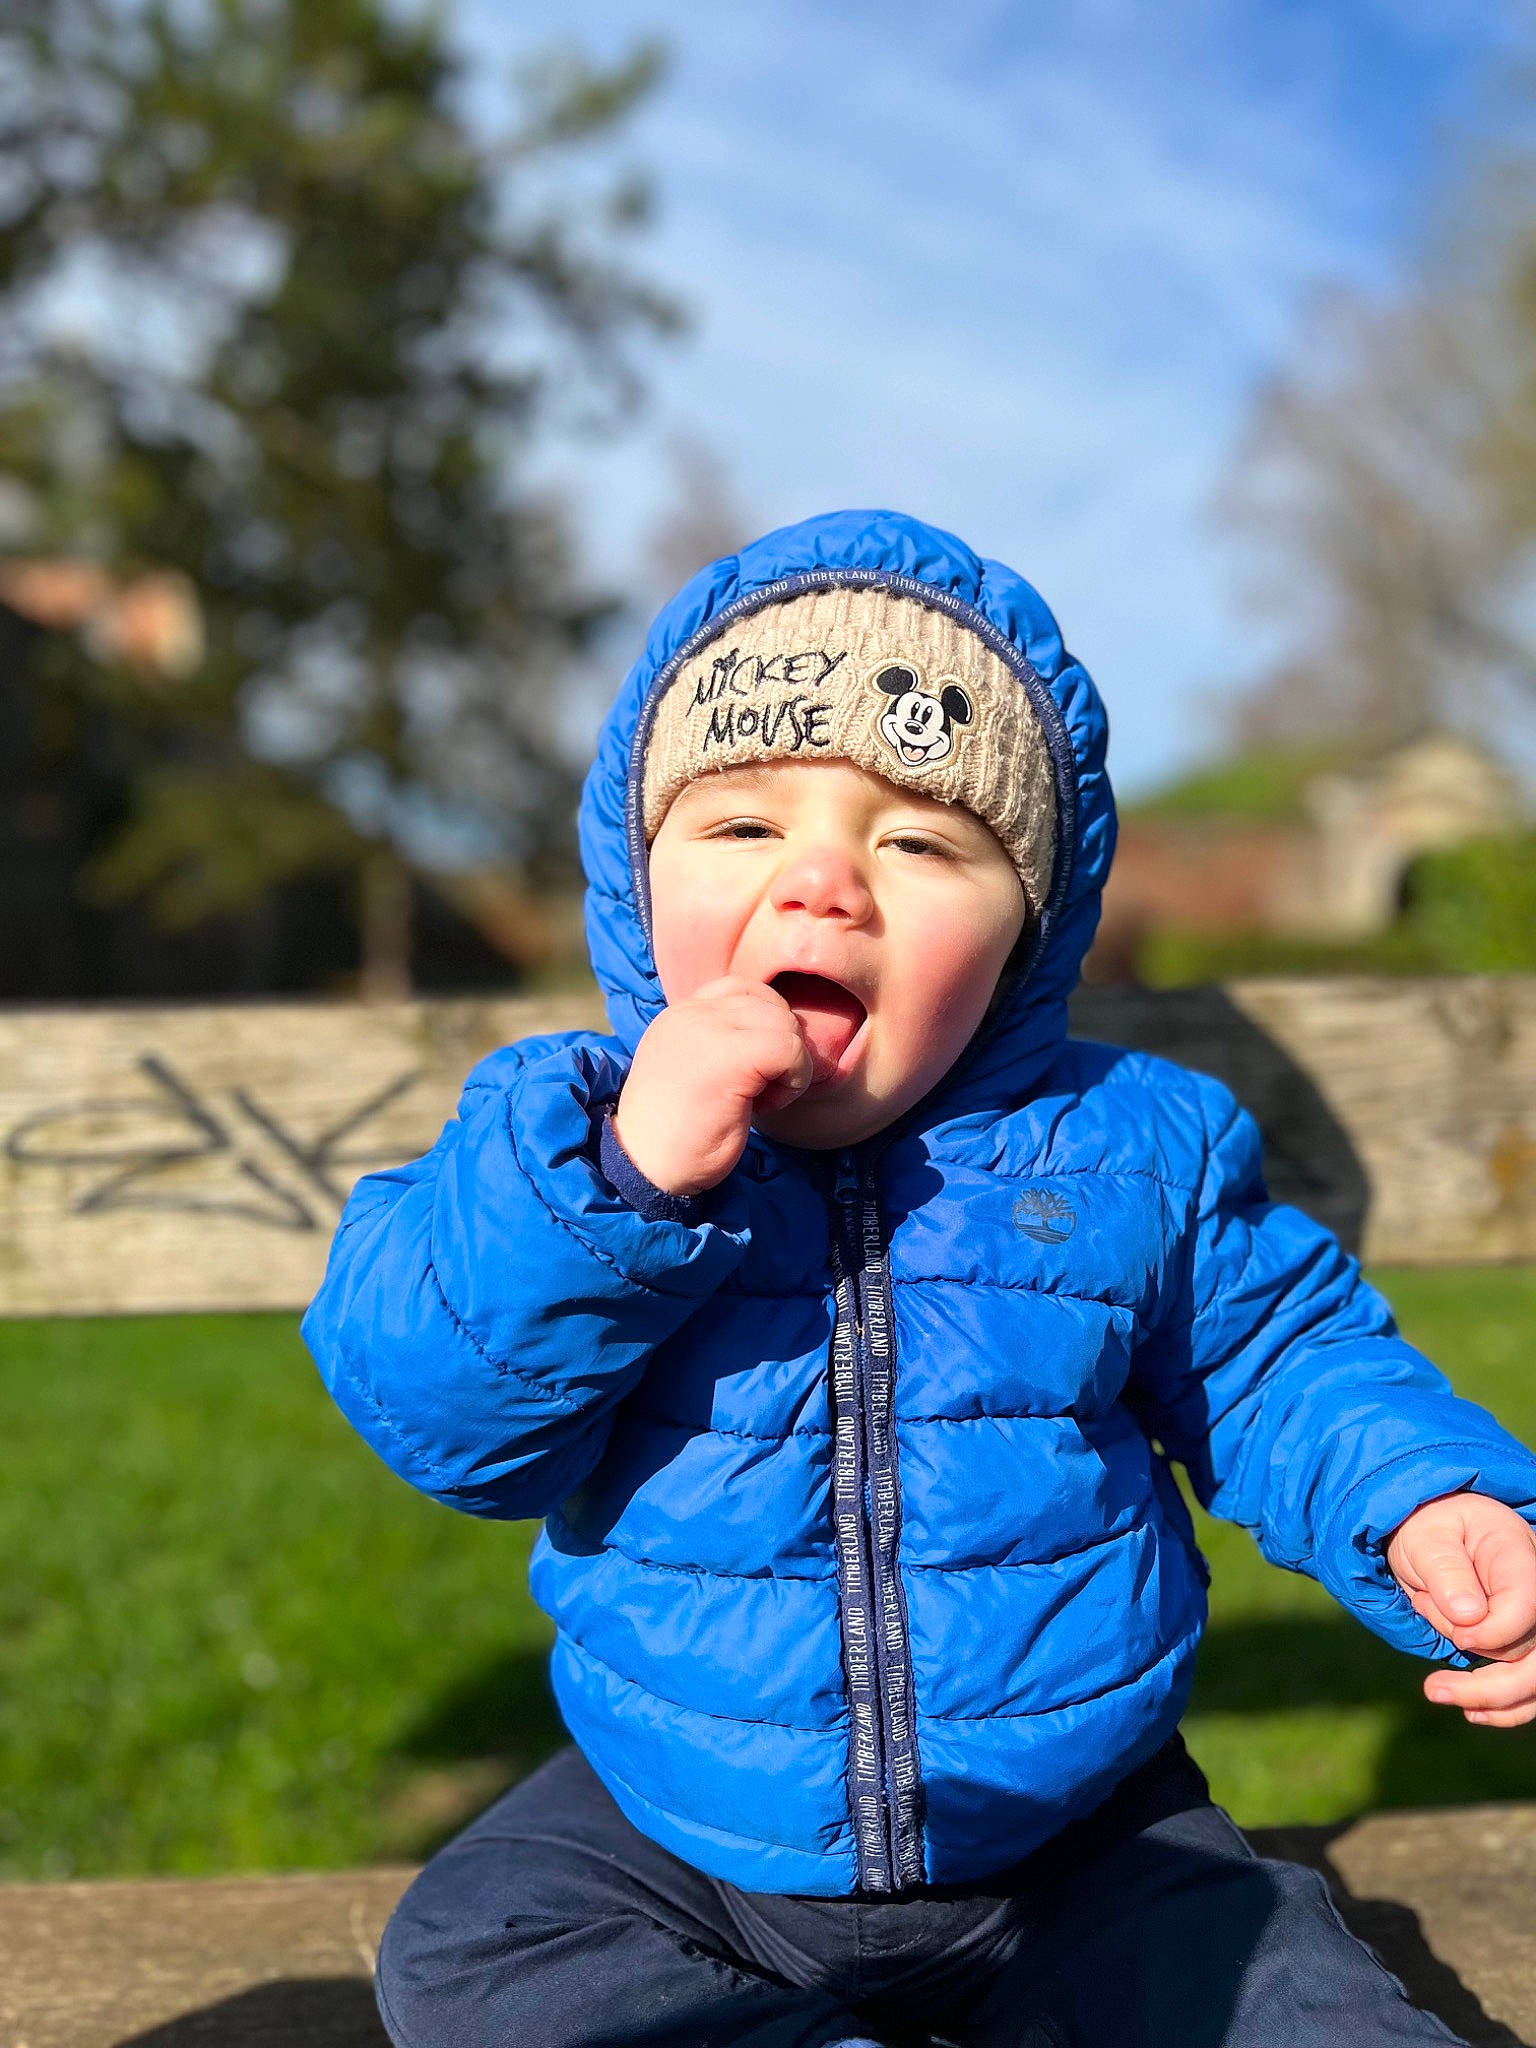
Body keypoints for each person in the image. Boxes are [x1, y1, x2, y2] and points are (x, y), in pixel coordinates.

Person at [304, 510, 1536, 2048]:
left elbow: (1286, 1366)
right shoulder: (556, 1139)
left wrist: (1431, 1501)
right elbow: (443, 1410)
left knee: (1294, 2006)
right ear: (635, 883)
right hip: (676, 1838)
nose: (825, 886)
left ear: (1027, 930)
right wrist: (623, 1191)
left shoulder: (1127, 1151)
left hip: (1084, 1840)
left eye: (921, 842)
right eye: (743, 828)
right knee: (475, 1955)